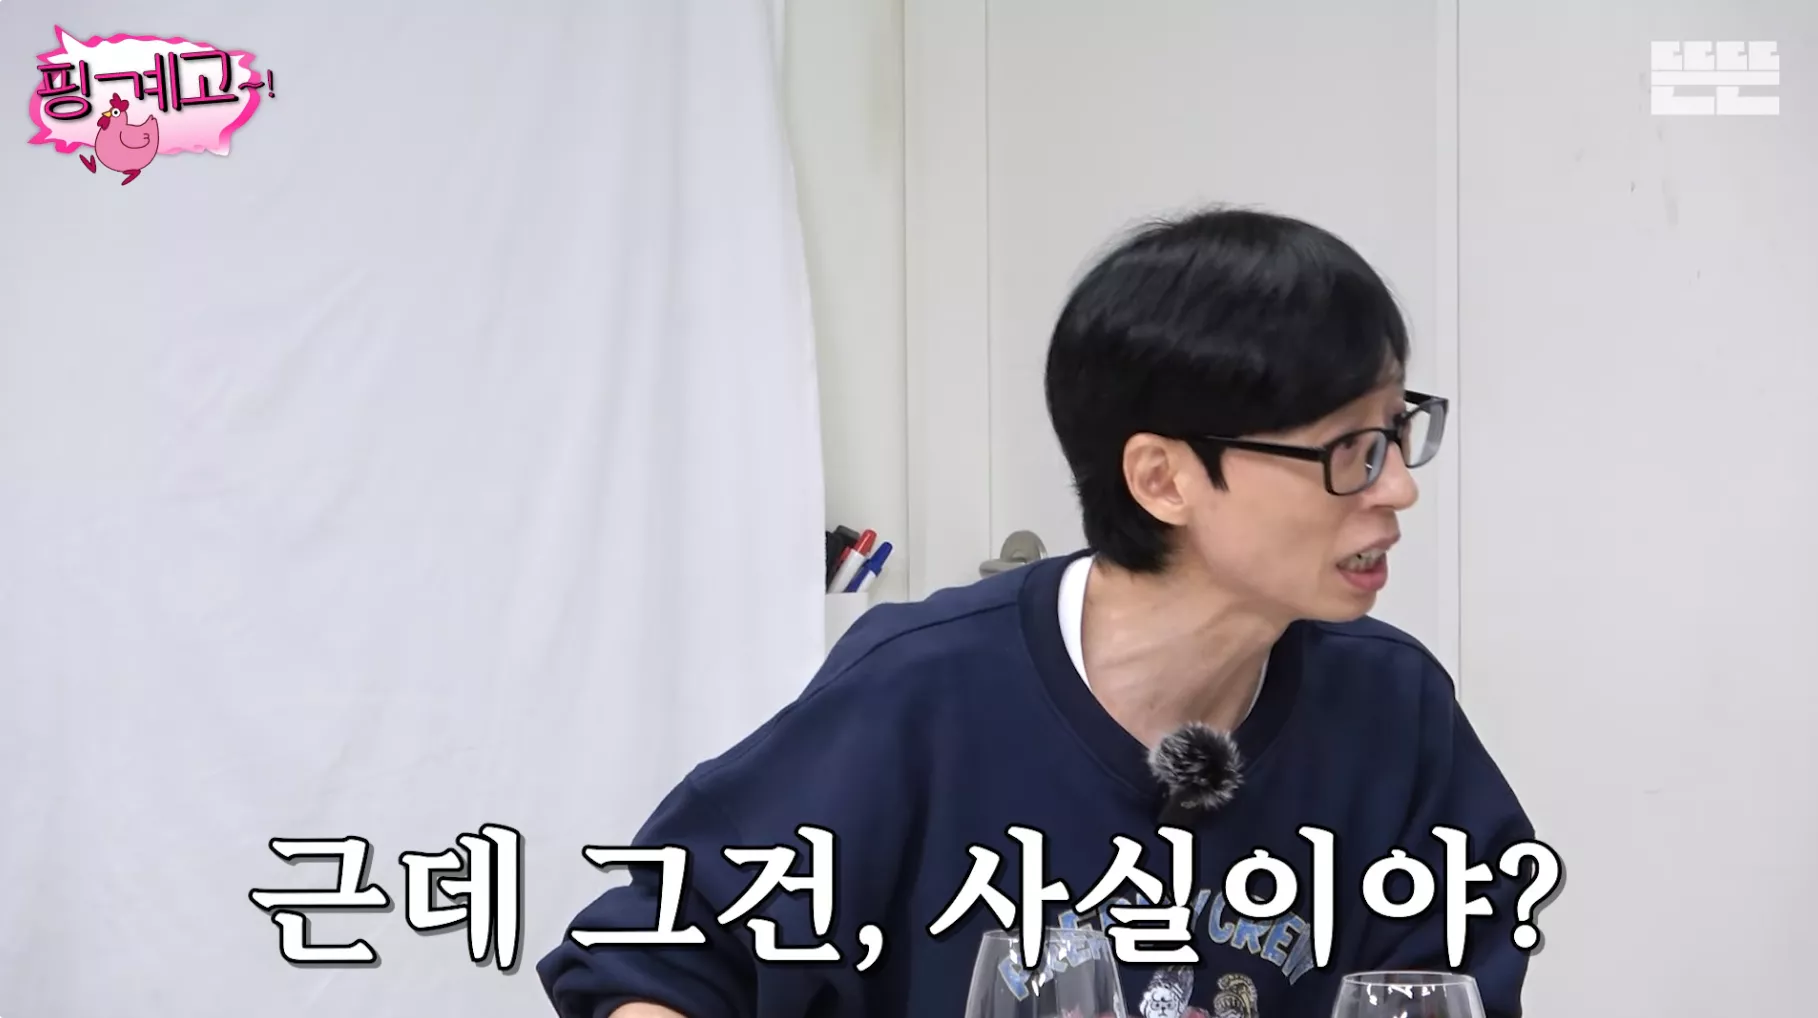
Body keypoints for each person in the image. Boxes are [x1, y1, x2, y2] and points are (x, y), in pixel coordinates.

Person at [537, 207, 1539, 1018]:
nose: (1398, 486)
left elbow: (1444, 988)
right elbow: (653, 955)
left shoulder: (1393, 710)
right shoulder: (924, 690)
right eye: (1351, 450)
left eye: (1398, 430)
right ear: (1163, 478)